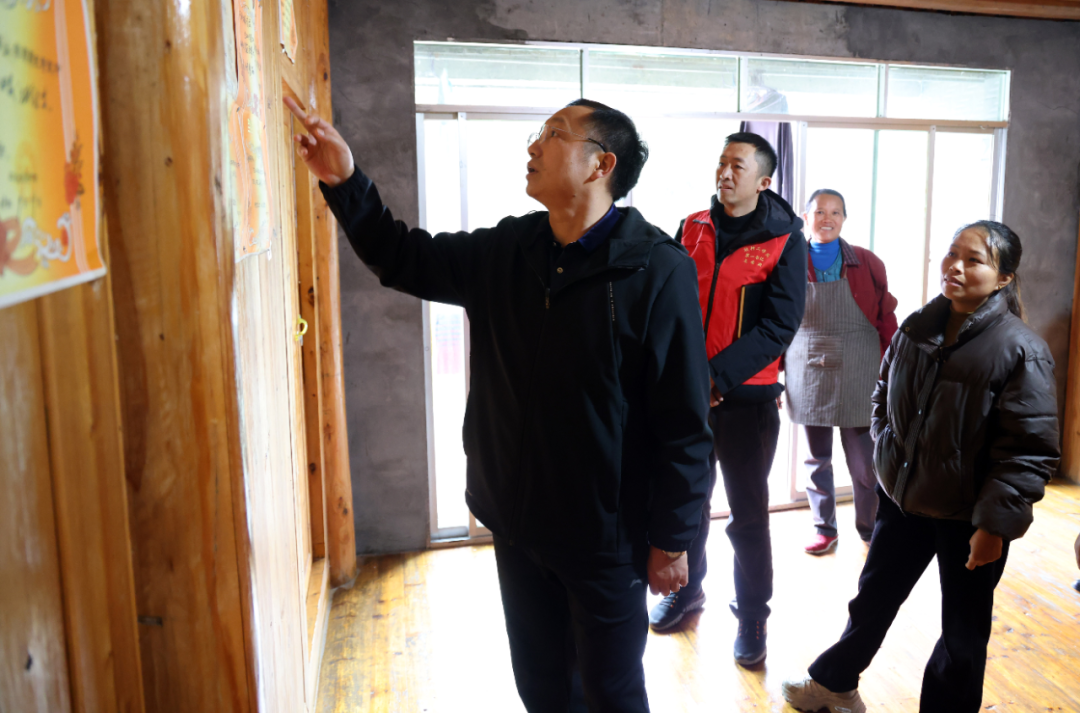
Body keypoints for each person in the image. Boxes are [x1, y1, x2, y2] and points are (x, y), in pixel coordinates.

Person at [284, 95, 714, 712]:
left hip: (606, 537)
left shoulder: (656, 269)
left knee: (612, 694)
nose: (534, 145)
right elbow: (404, 256)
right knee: (542, 687)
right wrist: (346, 182)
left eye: (555, 134)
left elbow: (684, 422)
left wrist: (673, 539)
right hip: (516, 523)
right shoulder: (511, 247)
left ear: (601, 165)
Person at [783, 221, 1060, 713]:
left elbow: (1028, 449)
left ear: (1003, 278)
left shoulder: (1021, 349)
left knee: (961, 635)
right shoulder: (917, 327)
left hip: (968, 515)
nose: (955, 267)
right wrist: (887, 451)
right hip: (904, 499)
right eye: (952, 254)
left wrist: (994, 526)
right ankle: (834, 684)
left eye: (973, 260)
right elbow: (882, 392)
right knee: (872, 601)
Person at [648, 132, 807, 668]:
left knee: (748, 517)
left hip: (746, 402)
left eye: (738, 165)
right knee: (686, 504)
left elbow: (780, 324)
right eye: (721, 162)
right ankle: (686, 591)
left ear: (763, 181)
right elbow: (668, 305)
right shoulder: (692, 226)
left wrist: (716, 379)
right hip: (686, 398)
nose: (725, 172)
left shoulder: (784, 239)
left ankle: (752, 616)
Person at [786, 189, 897, 555]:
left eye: (835, 212)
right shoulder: (788, 261)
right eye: (819, 212)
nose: (827, 219)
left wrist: (889, 371)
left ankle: (870, 528)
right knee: (816, 459)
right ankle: (824, 529)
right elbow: (775, 320)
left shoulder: (867, 262)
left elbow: (886, 319)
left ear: (844, 219)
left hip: (860, 370)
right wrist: (771, 375)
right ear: (806, 218)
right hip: (807, 370)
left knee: (865, 464)